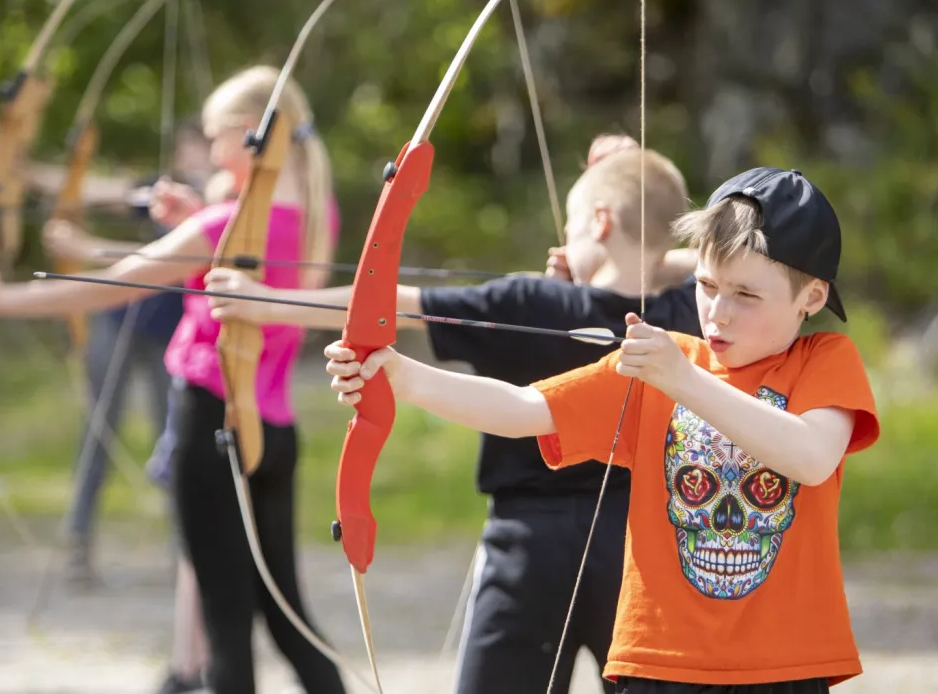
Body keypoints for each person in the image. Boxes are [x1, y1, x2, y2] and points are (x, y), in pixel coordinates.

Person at [322, 167, 882, 694]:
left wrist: (682, 379)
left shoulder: (821, 361)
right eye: (707, 285)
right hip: (658, 659)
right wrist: (400, 375)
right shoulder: (665, 362)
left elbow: (810, 456)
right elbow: (522, 408)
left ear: (811, 297)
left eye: (746, 295)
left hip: (784, 662)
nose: (718, 313)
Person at [205, 135, 701, 694]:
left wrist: (265, 300)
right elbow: (709, 257)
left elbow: (388, 300)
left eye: (572, 224)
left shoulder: (530, 302)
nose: (563, 242)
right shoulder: (685, 313)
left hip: (528, 547)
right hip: (639, 548)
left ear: (602, 221)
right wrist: (649, 246)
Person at [0, 65, 347, 694]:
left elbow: (114, 288)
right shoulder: (313, 212)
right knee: (287, 618)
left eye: (219, 137)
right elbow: (201, 256)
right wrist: (192, 215)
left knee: (225, 635)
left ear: (251, 135)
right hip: (274, 434)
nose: (212, 152)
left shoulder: (223, 224)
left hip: (211, 427)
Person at [33, 116, 214, 587]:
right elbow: (101, 190)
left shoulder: (220, 208)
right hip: (117, 324)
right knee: (99, 434)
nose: (194, 158)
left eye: (204, 148)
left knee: (174, 440)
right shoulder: (163, 192)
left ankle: (189, 554)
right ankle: (77, 546)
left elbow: (170, 264)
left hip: (169, 340)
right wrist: (30, 175)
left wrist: (86, 247)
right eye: (188, 148)